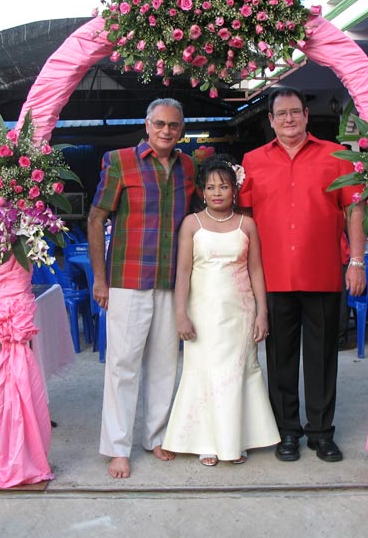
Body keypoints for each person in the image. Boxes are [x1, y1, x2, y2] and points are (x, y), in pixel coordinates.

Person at [238, 87, 367, 463]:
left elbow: (353, 213)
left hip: (324, 272)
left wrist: (356, 262)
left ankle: (322, 432)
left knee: (323, 357)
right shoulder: (253, 160)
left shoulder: (336, 157)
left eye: (296, 112)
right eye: (282, 114)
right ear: (271, 120)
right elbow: (244, 219)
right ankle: (287, 432)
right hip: (273, 277)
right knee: (280, 359)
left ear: (306, 116)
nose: (289, 119)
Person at [87, 98, 195, 479]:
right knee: (122, 365)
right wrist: (100, 279)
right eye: (160, 124)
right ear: (147, 125)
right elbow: (97, 218)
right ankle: (118, 448)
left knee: (165, 363)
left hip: (170, 280)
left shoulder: (187, 167)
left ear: (181, 129)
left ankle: (157, 435)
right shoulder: (119, 161)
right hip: (128, 279)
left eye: (174, 125)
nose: (167, 131)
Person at [163, 154, 279, 466]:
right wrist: (180, 314)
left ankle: (237, 439)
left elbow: (256, 271)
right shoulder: (191, 224)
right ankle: (206, 440)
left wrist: (262, 313)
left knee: (237, 372)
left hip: (239, 312)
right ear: (201, 191)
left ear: (234, 190)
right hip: (202, 313)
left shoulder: (247, 225)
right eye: (211, 187)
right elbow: (183, 272)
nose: (217, 193)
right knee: (205, 374)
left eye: (224, 187)